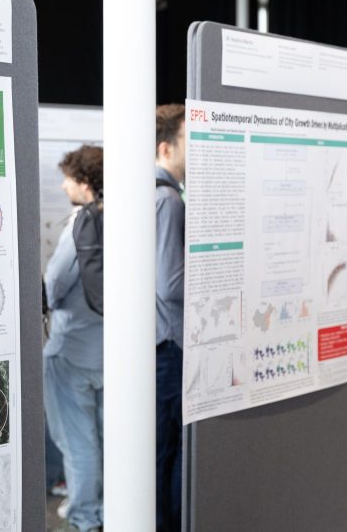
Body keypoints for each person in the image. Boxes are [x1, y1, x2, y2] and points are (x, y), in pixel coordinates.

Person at [43, 145, 104, 532]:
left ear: (83, 182)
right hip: (109, 353)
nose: (64, 186)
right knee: (109, 439)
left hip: (70, 351)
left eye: (68, 179)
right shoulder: (125, 216)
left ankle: (85, 516)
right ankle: (112, 512)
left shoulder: (81, 223)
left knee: (78, 442)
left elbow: (55, 281)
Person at [155, 103, 186, 531]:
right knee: (169, 451)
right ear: (166, 148)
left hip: (157, 343)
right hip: (169, 345)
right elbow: (170, 284)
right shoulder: (167, 199)